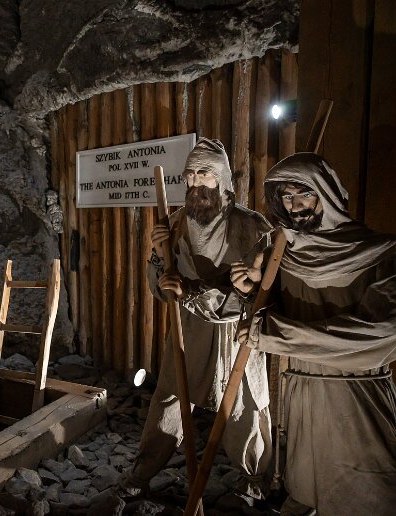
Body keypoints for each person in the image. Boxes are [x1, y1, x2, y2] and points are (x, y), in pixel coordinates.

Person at [234, 152, 396, 515]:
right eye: (286, 197)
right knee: (306, 485)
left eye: (303, 194)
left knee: (369, 491)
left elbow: (381, 335)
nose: (294, 206)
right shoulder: (283, 255)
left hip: (357, 394)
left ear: (326, 192)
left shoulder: (379, 254)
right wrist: (253, 290)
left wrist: (276, 336)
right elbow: (264, 319)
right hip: (303, 391)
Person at [119, 138, 273, 503]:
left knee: (244, 403)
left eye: (204, 174)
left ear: (221, 179)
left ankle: (250, 480)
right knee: (171, 396)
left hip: (239, 331)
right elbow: (160, 282)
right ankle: (142, 473)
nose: (195, 183)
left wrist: (239, 290)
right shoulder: (174, 223)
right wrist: (160, 264)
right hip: (190, 329)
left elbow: (268, 290)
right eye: (190, 175)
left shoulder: (252, 227)